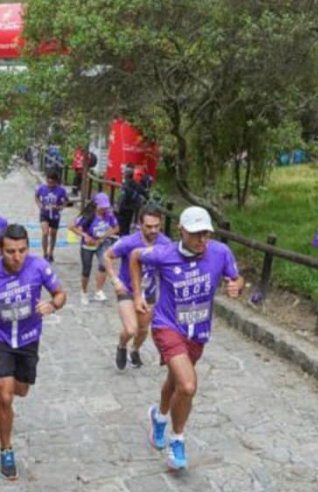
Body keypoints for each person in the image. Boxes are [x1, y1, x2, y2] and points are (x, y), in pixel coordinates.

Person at [131, 206, 244, 471]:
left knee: (176, 383)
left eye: (205, 233)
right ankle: (177, 441)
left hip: (198, 332)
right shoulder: (164, 254)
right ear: (180, 231)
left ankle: (159, 417)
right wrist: (137, 295)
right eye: (195, 234)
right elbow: (135, 257)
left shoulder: (220, 252)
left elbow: (237, 277)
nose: (201, 240)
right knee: (188, 385)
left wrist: (236, 284)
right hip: (167, 326)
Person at [0, 224, 66, 480]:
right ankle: (6, 448)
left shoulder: (39, 266)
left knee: (20, 391)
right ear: (0, 249)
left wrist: (53, 305)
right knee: (5, 395)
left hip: (28, 340)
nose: (17, 257)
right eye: (10, 251)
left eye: (21, 251)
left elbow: (61, 293)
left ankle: (2, 405)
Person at [104, 205, 170, 370]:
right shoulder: (129, 242)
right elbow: (107, 256)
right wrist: (114, 280)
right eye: (149, 226)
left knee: (142, 330)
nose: (153, 230)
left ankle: (135, 350)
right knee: (131, 328)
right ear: (140, 224)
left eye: (157, 226)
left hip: (148, 291)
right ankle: (122, 345)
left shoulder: (165, 243)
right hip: (127, 289)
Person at [68, 193, 119, 305]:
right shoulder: (88, 215)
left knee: (104, 264)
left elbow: (116, 228)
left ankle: (99, 290)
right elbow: (71, 226)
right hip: (88, 246)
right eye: (102, 207)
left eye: (106, 207)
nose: (104, 209)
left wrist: (105, 236)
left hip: (102, 244)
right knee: (87, 269)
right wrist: (84, 236)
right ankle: (84, 292)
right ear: (96, 205)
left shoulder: (109, 215)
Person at [34, 171, 68, 262]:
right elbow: (36, 197)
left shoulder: (61, 190)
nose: (50, 184)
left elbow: (66, 201)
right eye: (48, 182)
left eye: (52, 183)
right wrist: (40, 205)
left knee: (53, 233)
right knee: (45, 233)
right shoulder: (42, 188)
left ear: (56, 182)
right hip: (44, 214)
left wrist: (59, 207)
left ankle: (51, 252)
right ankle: (45, 253)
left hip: (55, 215)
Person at [116, 168, 149, 237]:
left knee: (120, 225)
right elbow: (146, 195)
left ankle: (121, 238)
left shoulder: (125, 185)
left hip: (123, 208)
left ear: (125, 175)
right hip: (131, 208)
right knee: (127, 225)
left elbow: (122, 197)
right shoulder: (137, 185)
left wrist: (118, 207)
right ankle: (125, 237)